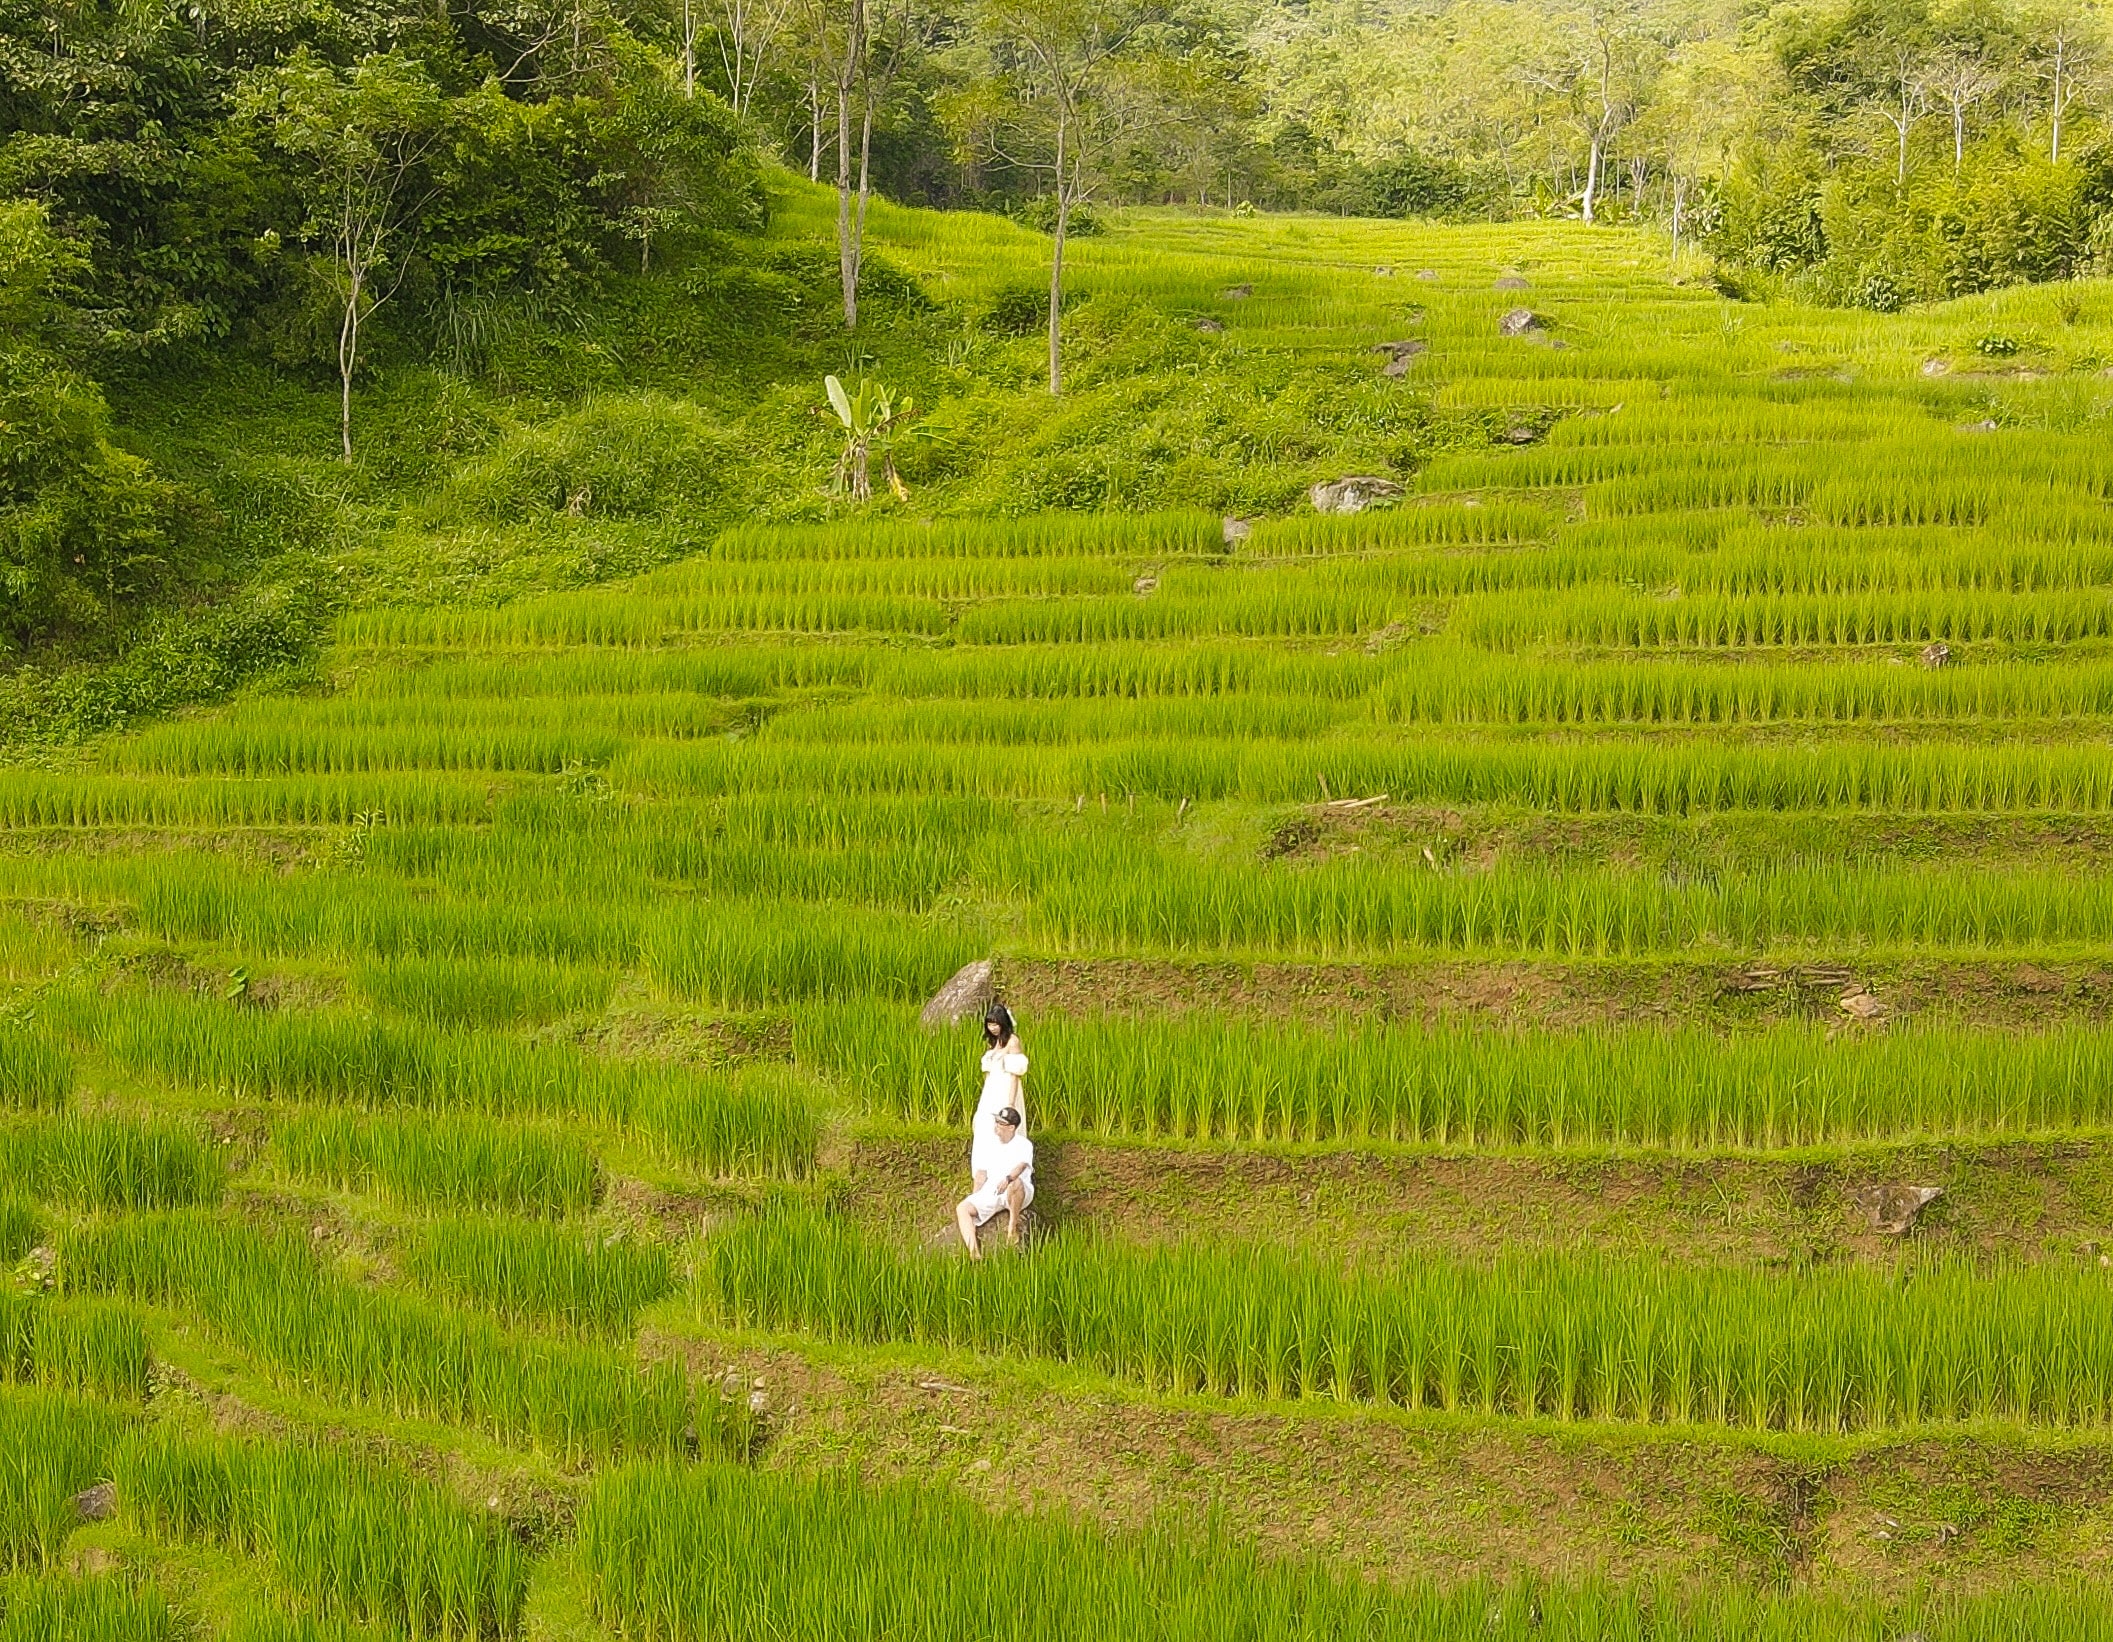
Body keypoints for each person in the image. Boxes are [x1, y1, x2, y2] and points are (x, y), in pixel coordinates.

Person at [957, 1107, 1033, 1258]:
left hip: (1016, 1189)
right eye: (996, 1121)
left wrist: (1008, 1178)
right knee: (962, 1208)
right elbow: (981, 1174)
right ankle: (974, 1253)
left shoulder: (1024, 1144)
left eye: (1001, 1123)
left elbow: (1021, 1166)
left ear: (1011, 1127)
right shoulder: (989, 1145)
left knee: (1015, 1183)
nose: (996, 1125)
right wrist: (976, 1196)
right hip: (993, 1190)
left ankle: (1012, 1227)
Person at [974, 1003, 1028, 1147]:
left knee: (1004, 1124)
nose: (993, 1028)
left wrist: (1011, 1103)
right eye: (990, 1025)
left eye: (996, 1024)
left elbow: (1015, 1075)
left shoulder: (1012, 1041)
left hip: (1006, 1089)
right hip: (991, 1090)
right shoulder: (994, 1042)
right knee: (985, 1125)